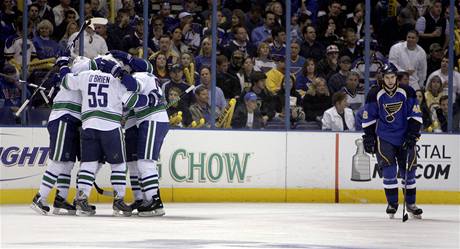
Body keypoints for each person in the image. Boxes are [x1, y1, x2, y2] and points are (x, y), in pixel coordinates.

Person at [60, 56, 149, 216]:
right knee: (119, 166)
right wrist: (152, 100)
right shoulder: (115, 81)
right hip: (110, 127)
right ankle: (119, 200)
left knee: (88, 164)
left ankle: (82, 199)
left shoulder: (85, 76)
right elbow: (133, 98)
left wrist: (62, 65)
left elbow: (66, 81)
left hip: (89, 126)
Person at [31, 55, 91, 216]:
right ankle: (40, 197)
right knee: (58, 162)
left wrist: (63, 64)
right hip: (63, 119)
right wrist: (64, 65)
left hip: (71, 121)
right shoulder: (75, 76)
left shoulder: (76, 75)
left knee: (68, 163)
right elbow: (67, 78)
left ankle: (61, 198)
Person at [362, 63, 423, 219]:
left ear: (397, 77)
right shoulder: (374, 93)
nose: (390, 81)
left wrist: (412, 134)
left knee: (409, 171)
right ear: (383, 78)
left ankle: (411, 204)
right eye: (387, 77)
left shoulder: (407, 91)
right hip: (385, 138)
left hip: (404, 136)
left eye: (392, 77)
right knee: (388, 171)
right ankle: (392, 203)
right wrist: (369, 136)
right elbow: (369, 118)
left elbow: (415, 115)